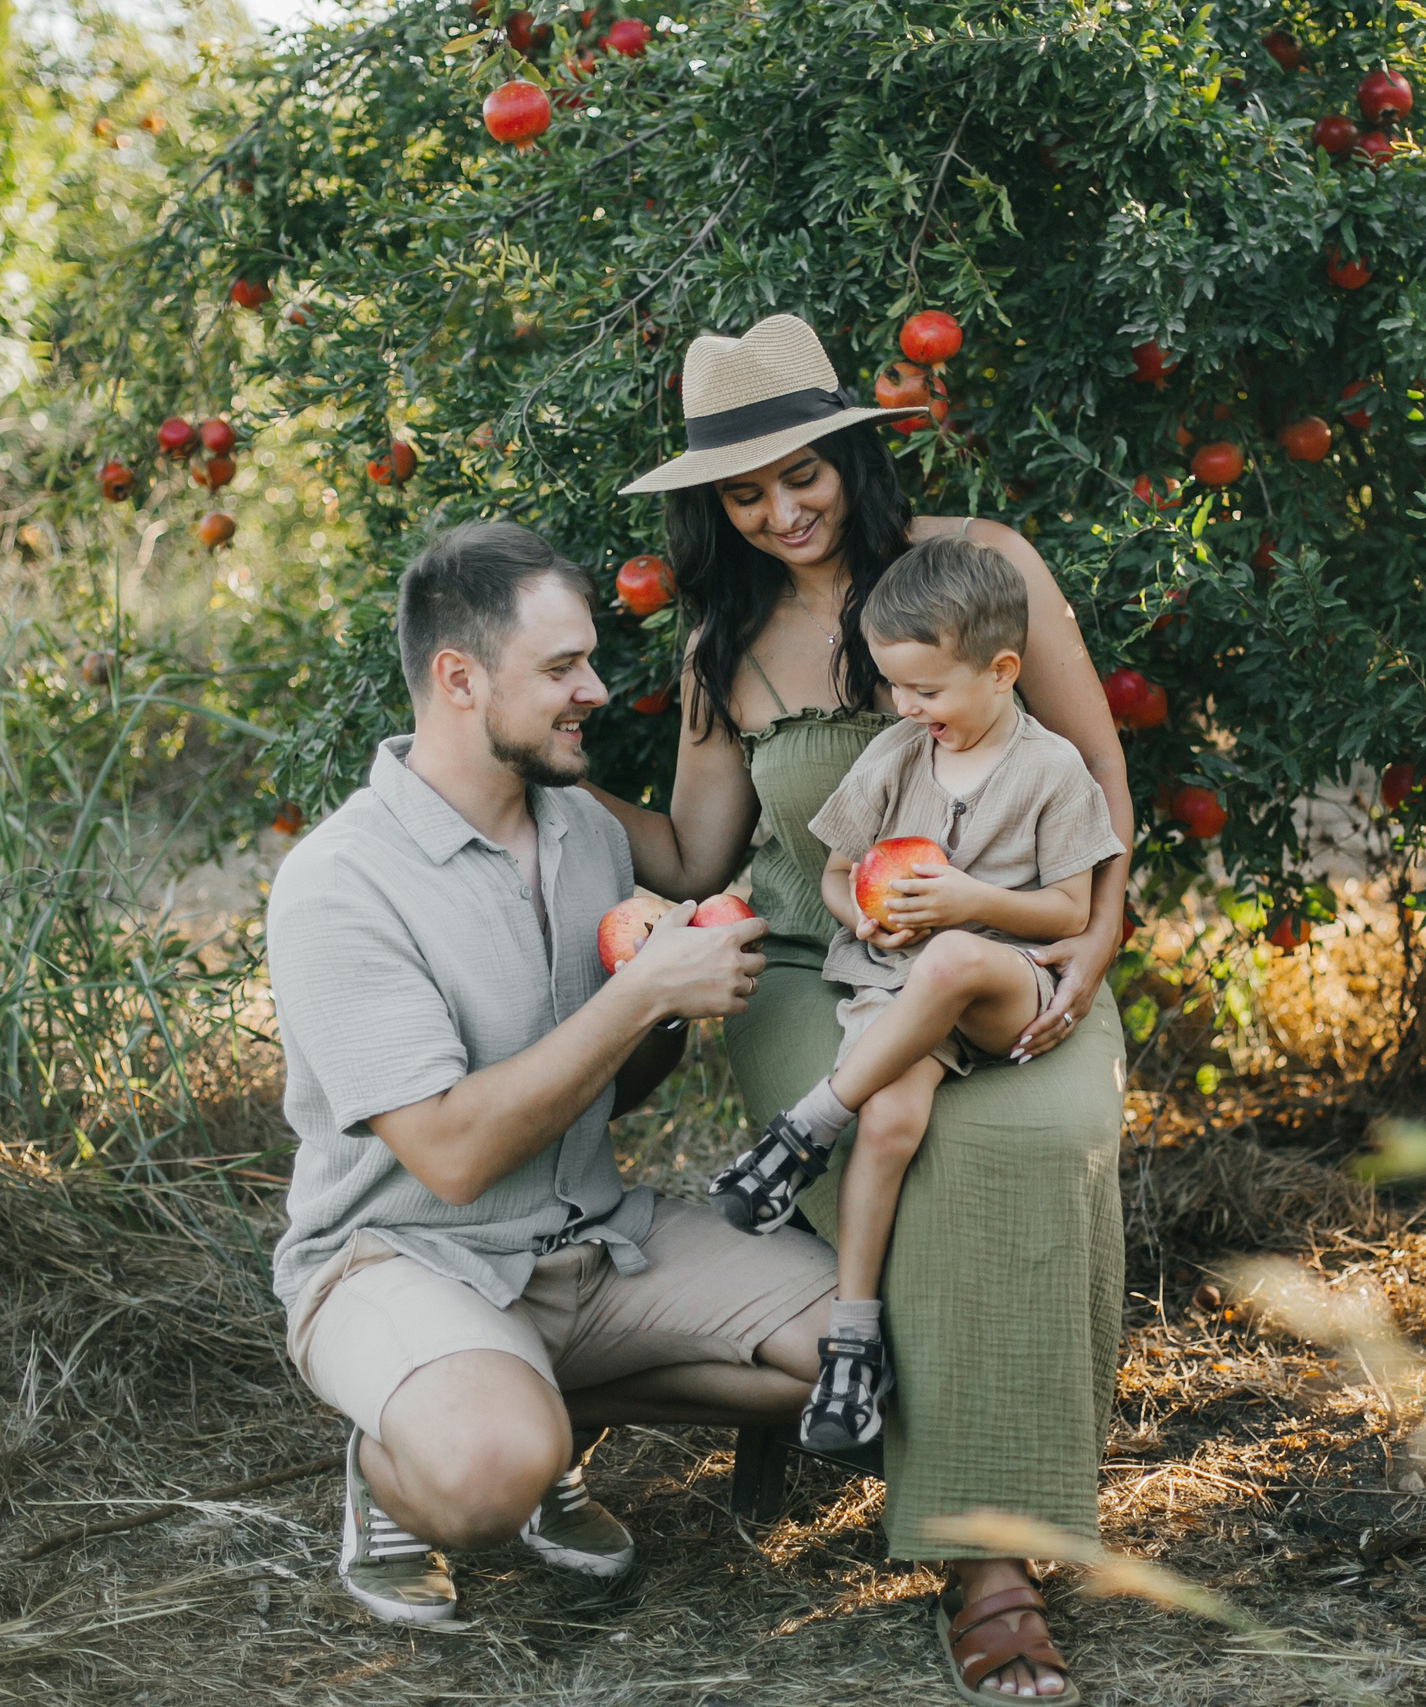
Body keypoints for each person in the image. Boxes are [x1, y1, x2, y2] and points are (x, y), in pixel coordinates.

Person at [593, 313, 1132, 1703]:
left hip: (1017, 947)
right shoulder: (729, 638)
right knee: (934, 1154)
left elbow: (1101, 788)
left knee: (1018, 1138)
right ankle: (987, 1568)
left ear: (848, 450)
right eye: (743, 490)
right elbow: (700, 858)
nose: (780, 510)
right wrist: (544, 776)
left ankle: (995, 1516)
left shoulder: (982, 567)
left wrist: (1098, 940)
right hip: (815, 970)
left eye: (801, 474)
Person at [265, 520, 838, 1626]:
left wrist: (671, 1006)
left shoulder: (584, 831)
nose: (596, 688)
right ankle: (411, 1463)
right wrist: (642, 997)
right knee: (485, 1478)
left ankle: (517, 1402)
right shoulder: (339, 884)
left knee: (863, 1349)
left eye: (590, 657)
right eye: (562, 667)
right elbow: (453, 1154)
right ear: (458, 678)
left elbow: (615, 1082)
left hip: (592, 1242)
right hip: (402, 1258)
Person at [706, 535, 1125, 1462]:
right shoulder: (900, 754)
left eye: (926, 690)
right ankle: (852, 1342)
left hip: (1006, 981)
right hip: (897, 985)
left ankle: (803, 1128)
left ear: (1003, 670)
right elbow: (842, 873)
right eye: (896, 687)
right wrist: (864, 920)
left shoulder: (1049, 768)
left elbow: (1069, 905)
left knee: (951, 962)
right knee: (889, 1129)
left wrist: (968, 905)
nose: (905, 707)